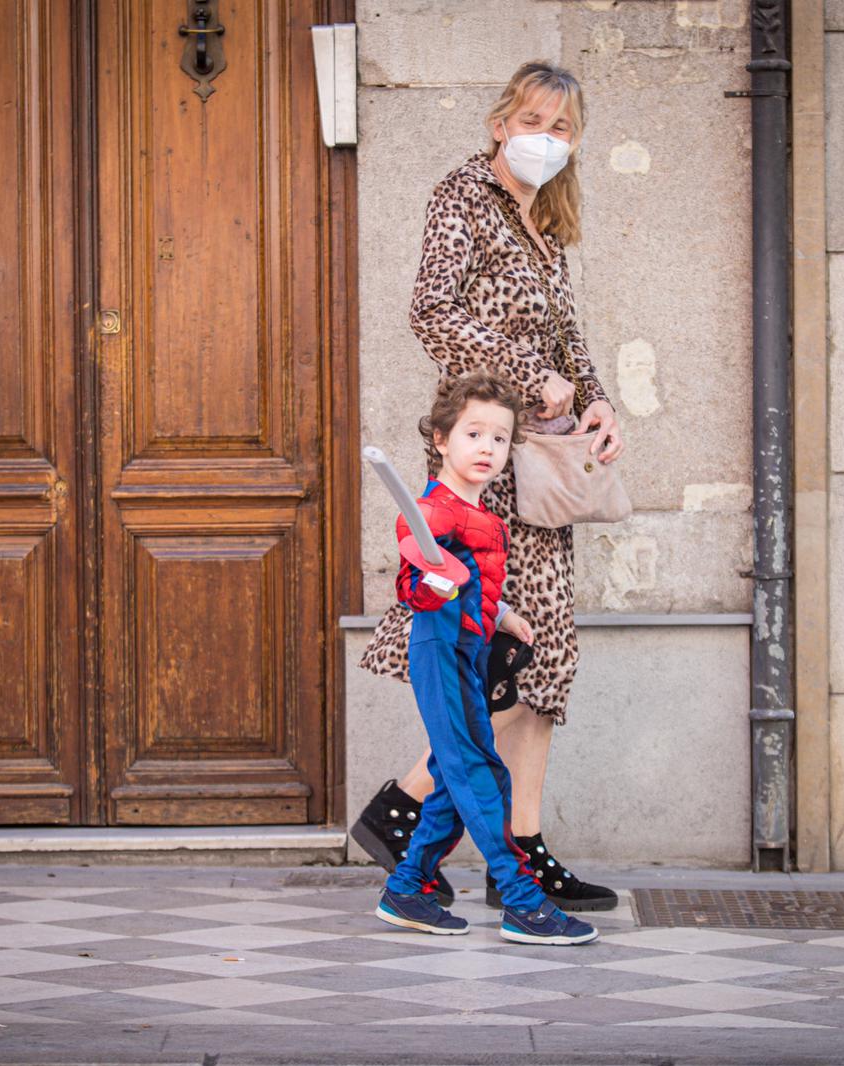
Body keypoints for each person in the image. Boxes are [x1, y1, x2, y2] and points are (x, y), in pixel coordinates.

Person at [357, 61, 625, 912]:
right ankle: (408, 813)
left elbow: (567, 335)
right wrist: (525, 371)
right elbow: (430, 311)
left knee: (540, 660)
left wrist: (595, 400)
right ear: (502, 119)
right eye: (534, 118)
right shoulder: (461, 196)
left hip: (540, 469)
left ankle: (515, 838)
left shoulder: (545, 217)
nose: (548, 136)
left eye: (564, 126)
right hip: (486, 469)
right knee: (496, 658)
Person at [374, 370, 597, 947]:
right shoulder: (431, 513)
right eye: (474, 434)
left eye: (499, 439)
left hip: (470, 653)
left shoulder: (484, 517)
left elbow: (473, 585)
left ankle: (407, 887)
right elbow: (415, 588)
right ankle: (521, 900)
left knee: (458, 776)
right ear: (442, 440)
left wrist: (501, 616)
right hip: (439, 650)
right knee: (480, 772)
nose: (487, 448)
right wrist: (434, 582)